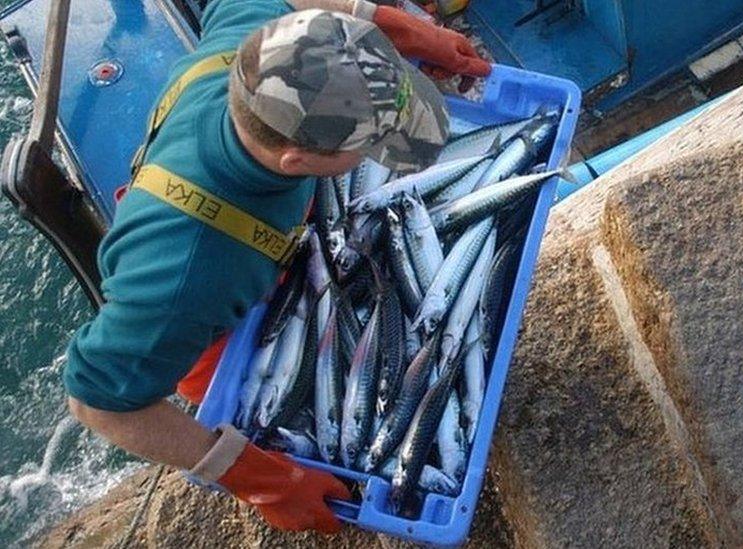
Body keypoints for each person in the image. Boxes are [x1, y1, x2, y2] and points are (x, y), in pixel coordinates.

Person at [62, 0, 490, 535]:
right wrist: (261, 480)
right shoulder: (191, 274)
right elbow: (97, 402)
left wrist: (400, 29)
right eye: (371, 144)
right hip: (215, 317)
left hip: (266, 233)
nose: (383, 153)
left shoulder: (254, 33)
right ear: (297, 161)